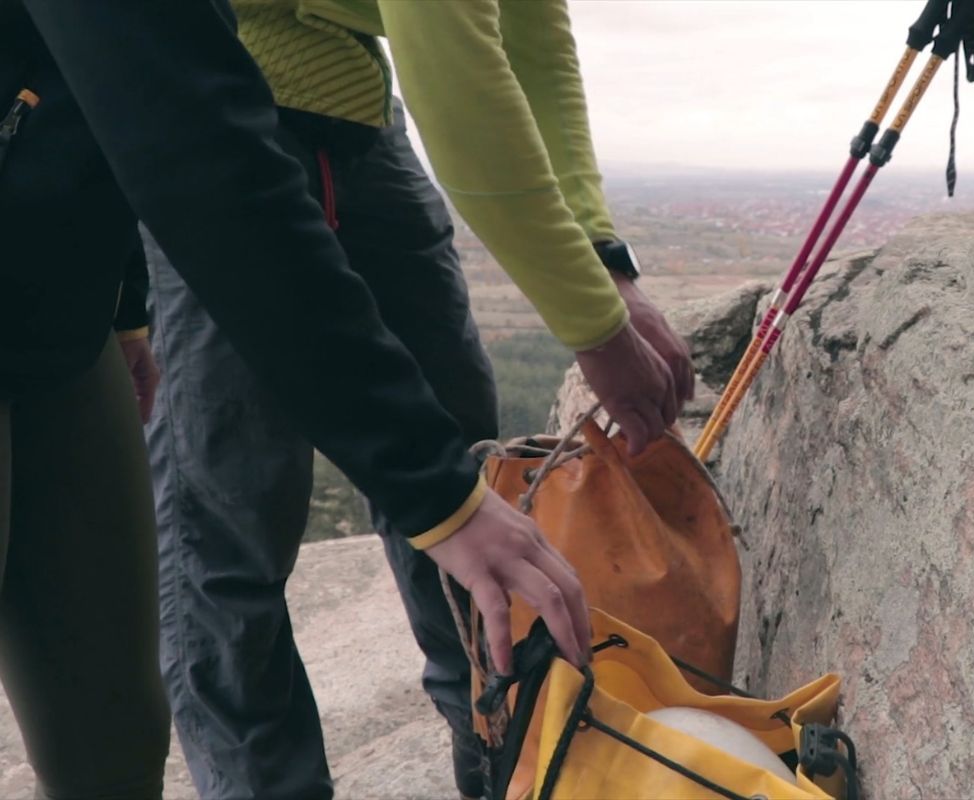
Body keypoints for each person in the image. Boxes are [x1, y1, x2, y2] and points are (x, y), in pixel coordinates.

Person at [0, 0, 608, 795]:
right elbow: (188, 139)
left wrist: (122, 302)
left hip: (75, 286)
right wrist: (440, 493)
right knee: (223, 543)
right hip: (166, 166)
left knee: (113, 731)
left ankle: (507, 762)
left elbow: (108, 79)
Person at [136, 2, 693, 797]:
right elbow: (459, 82)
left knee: (461, 468)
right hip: (215, 91)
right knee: (230, 519)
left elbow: (532, 33)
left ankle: (504, 758)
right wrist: (598, 331)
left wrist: (605, 258)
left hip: (361, 116)